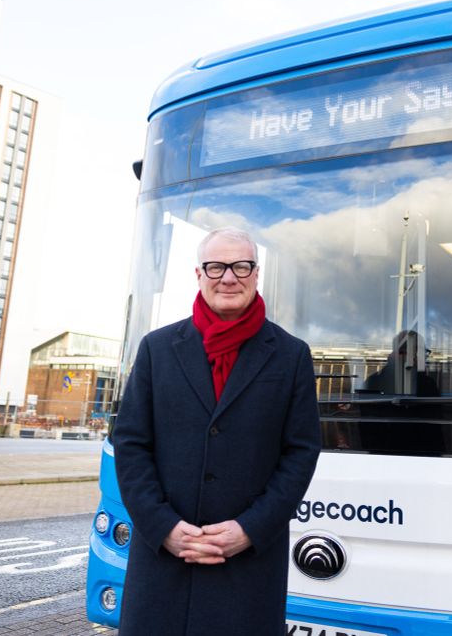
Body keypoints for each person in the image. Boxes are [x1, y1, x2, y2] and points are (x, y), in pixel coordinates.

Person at [113, 227, 321, 635]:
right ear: (199, 274)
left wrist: (250, 529)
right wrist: (163, 527)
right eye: (216, 267)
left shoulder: (291, 354)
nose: (229, 277)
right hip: (164, 562)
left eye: (241, 266)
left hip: (246, 568)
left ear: (256, 273)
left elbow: (300, 452)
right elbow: (131, 443)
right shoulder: (157, 348)